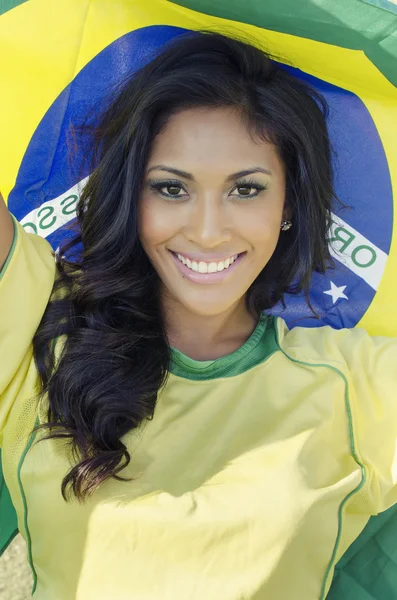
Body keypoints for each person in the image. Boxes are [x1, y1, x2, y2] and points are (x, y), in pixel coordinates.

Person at [0, 30, 396, 600]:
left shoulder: (359, 387)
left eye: (246, 190)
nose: (208, 232)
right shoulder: (39, 314)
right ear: (131, 197)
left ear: (288, 205)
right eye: (170, 188)